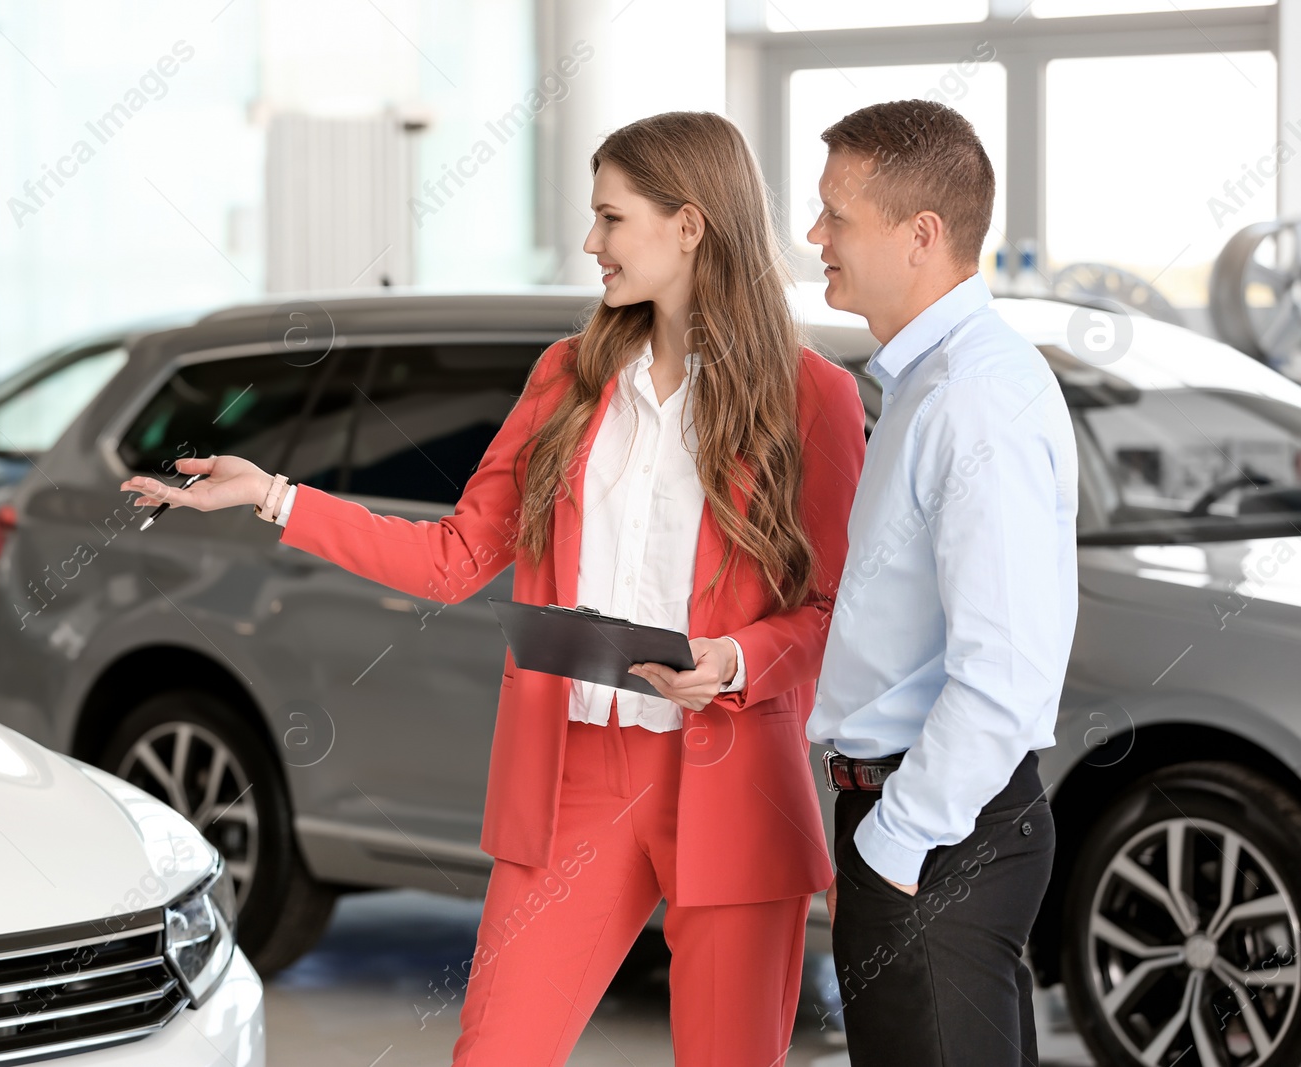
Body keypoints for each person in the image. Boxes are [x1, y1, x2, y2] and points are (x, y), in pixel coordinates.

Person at [122, 110, 865, 1066]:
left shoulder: (814, 398)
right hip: (575, 777)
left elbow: (831, 612)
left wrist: (736, 658)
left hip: (731, 779)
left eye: (611, 218)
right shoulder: (567, 377)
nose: (590, 243)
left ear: (690, 224)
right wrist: (274, 496)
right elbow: (452, 555)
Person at [804, 99, 1079, 1066]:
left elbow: (1001, 673)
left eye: (837, 213)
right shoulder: (931, 380)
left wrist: (894, 844)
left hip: (933, 833)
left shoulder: (971, 397)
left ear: (920, 234)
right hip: (921, 824)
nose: (815, 235)